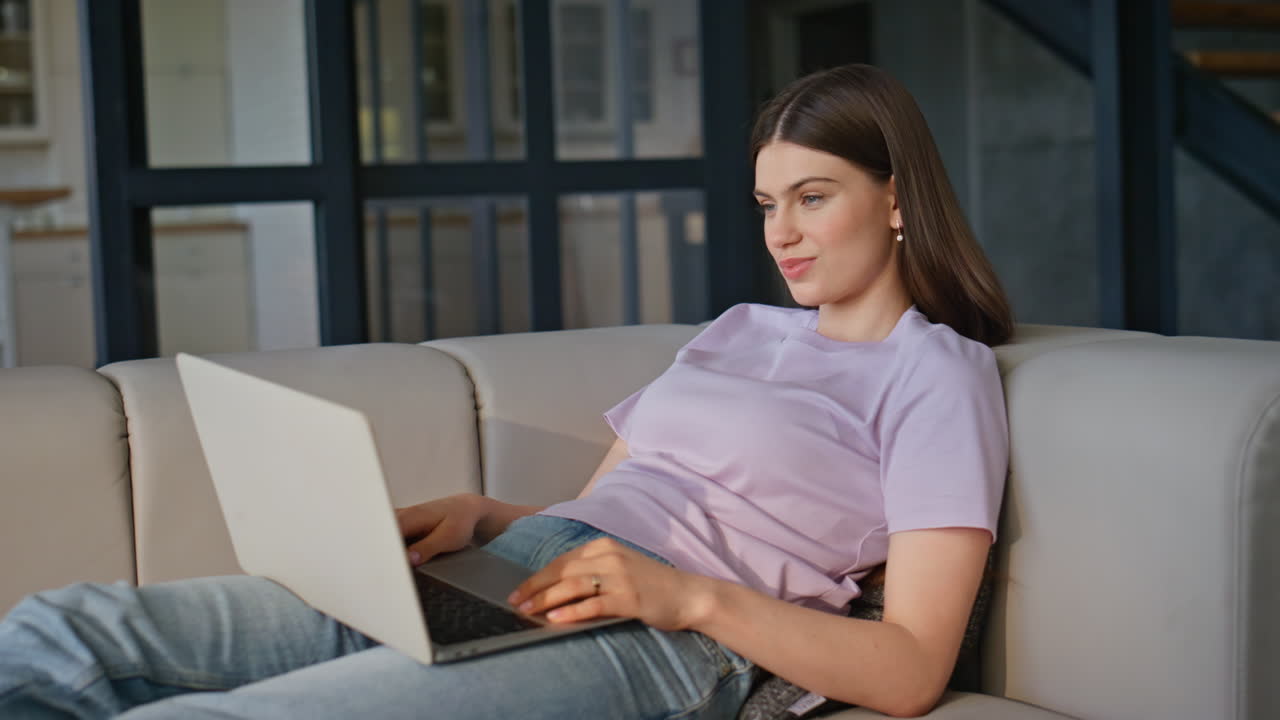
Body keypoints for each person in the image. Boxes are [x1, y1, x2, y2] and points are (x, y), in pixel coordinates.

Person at [0, 64, 1012, 719]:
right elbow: (615, 506)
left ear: (893, 197)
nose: (779, 232)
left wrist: (690, 595)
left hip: (669, 637)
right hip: (526, 569)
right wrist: (488, 519)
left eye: (811, 197)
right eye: (765, 203)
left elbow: (912, 664)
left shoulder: (936, 374)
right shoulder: (737, 330)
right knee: (62, 631)